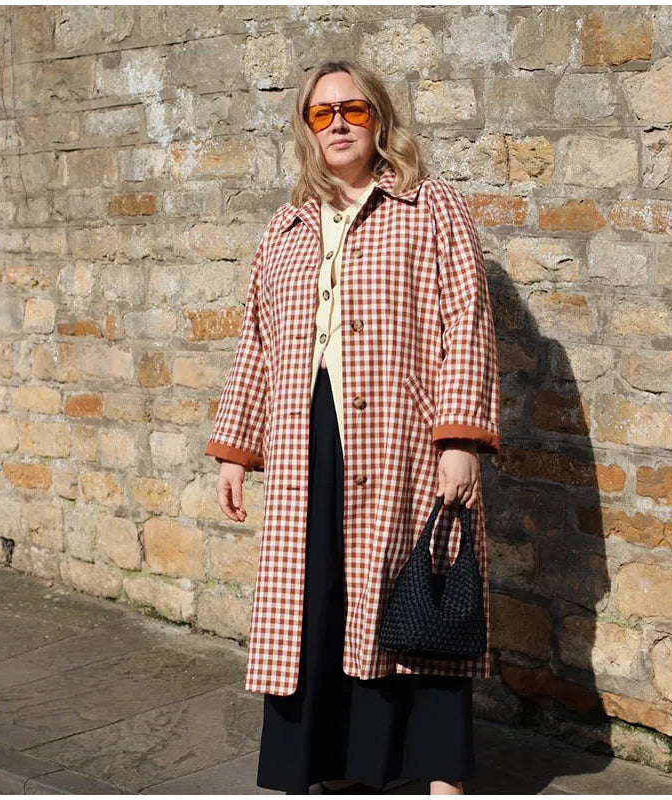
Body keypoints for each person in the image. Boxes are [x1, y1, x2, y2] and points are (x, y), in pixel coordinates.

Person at [205, 59, 500, 796]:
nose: (338, 124)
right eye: (321, 113)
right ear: (307, 129)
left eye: (354, 110)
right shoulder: (287, 225)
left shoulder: (431, 207)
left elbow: (465, 322)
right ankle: (319, 772)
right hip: (308, 441)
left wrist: (459, 439)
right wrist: (236, 449)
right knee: (314, 601)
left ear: (380, 119)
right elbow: (258, 340)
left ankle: (434, 773)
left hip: (404, 438)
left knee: (419, 596)